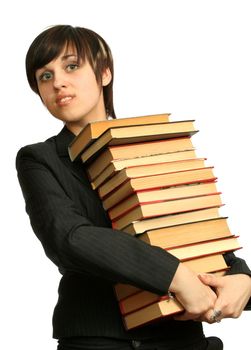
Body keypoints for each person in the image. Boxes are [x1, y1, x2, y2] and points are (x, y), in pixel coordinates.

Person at [16, 24, 251, 350]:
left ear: (104, 74)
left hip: (179, 336)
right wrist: (176, 276)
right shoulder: (39, 159)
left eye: (71, 66)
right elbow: (69, 238)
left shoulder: (155, 144)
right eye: (45, 76)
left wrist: (243, 279)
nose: (58, 82)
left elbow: (195, 227)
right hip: (97, 338)